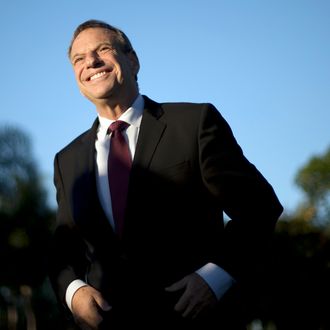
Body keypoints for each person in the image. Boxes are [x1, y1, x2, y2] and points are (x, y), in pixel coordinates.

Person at [48, 19, 283, 330]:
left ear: (132, 61)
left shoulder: (194, 124)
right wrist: (74, 292)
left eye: (103, 49)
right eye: (79, 58)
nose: (91, 61)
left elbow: (259, 209)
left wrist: (215, 277)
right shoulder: (67, 160)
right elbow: (64, 251)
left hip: (194, 320)